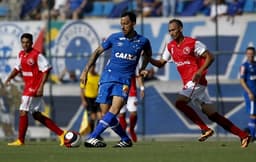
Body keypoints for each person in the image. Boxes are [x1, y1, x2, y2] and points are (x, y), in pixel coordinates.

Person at [149, 19, 251, 148]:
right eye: (169, 30)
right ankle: (243, 135)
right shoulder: (170, 46)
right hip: (190, 84)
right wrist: (148, 58)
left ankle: (205, 129)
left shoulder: (193, 43)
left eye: (174, 29)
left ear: (180, 28)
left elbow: (210, 57)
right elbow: (160, 63)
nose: (171, 33)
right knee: (213, 115)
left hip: (196, 81)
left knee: (180, 103)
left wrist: (199, 71)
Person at [80, 11, 152, 148]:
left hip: (123, 81)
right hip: (107, 78)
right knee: (106, 114)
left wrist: (143, 67)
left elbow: (148, 54)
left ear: (133, 23)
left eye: (126, 24)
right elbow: (97, 52)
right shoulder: (114, 37)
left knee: (115, 110)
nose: (123, 27)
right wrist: (85, 72)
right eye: (121, 24)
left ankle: (92, 137)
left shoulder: (143, 41)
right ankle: (125, 139)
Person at [4, 33, 66, 146]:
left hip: (34, 88)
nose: (25, 44)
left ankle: (20, 140)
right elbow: (17, 68)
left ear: (32, 43)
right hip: (28, 87)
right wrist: (9, 77)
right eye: (23, 42)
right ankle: (62, 134)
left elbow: (46, 69)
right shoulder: (21, 54)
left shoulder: (37, 55)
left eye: (27, 42)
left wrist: (41, 86)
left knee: (23, 110)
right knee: (37, 115)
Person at [118, 75, 144, 142]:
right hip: (120, 92)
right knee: (121, 114)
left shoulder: (134, 65)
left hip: (131, 93)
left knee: (134, 113)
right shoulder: (117, 65)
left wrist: (142, 89)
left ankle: (131, 129)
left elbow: (139, 76)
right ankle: (123, 137)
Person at [80, 64, 102, 136]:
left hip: (97, 99)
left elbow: (100, 88)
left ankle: (97, 134)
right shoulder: (85, 76)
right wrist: (83, 100)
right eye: (90, 67)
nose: (92, 69)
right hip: (88, 98)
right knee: (93, 117)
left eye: (93, 67)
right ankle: (92, 134)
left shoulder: (98, 76)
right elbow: (82, 89)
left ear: (95, 67)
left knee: (100, 116)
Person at [240, 46, 256, 142]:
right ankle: (252, 137)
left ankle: (250, 134)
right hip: (251, 95)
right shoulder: (244, 66)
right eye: (248, 54)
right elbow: (242, 80)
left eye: (252, 53)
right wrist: (249, 92)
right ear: (246, 54)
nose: (250, 55)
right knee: (253, 115)